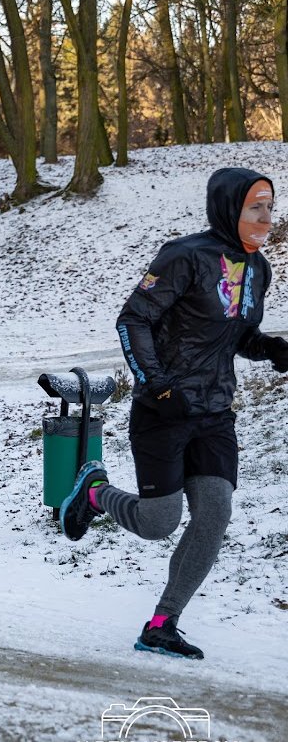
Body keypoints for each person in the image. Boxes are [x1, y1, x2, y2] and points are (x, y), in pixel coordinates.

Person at [59, 168, 284, 660]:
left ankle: (162, 624)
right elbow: (133, 318)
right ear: (229, 208)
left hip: (216, 412)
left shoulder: (257, 269)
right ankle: (95, 493)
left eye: (270, 206)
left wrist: (269, 348)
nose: (267, 217)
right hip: (164, 410)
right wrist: (156, 384)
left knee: (214, 516)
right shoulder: (184, 257)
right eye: (256, 207)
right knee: (160, 523)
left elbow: (236, 334)